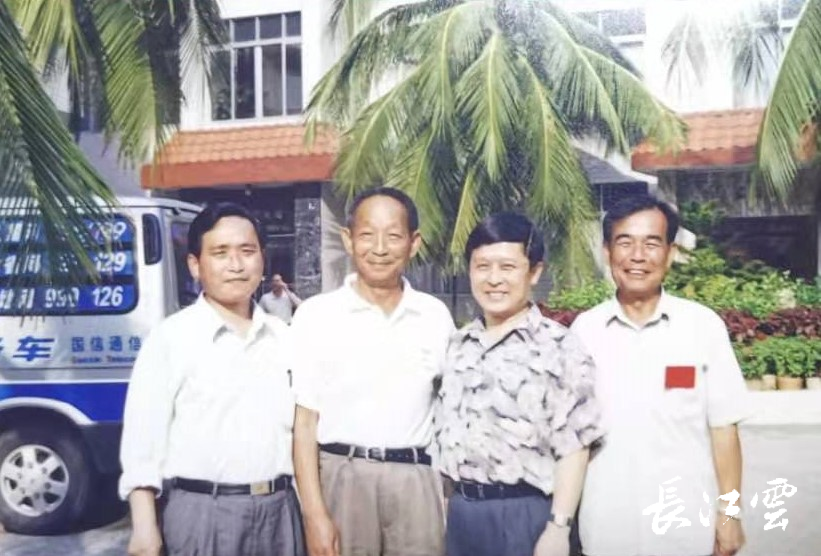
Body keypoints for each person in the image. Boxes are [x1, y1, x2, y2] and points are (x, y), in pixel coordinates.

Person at [119, 202, 304, 556]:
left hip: (280, 512)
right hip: (202, 514)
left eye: (247, 251)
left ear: (262, 260)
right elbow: (143, 443)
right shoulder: (170, 339)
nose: (236, 265)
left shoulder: (284, 337)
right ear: (195, 265)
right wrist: (144, 528)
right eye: (220, 253)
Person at [570, 195, 748, 556]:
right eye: (625, 242)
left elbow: (724, 432)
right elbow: (573, 441)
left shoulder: (702, 327)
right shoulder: (584, 332)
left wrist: (730, 513)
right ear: (607, 251)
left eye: (652, 243)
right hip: (606, 530)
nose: (637, 256)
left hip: (685, 530)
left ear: (670, 253)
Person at [290, 187, 455, 556]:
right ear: (348, 239)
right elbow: (304, 424)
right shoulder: (316, 316)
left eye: (393, 236)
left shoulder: (434, 316)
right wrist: (314, 513)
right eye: (367, 234)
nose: (379, 248)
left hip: (415, 482)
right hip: (342, 478)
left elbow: (448, 411)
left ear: (413, 243)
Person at [434, 212, 604, 556]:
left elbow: (575, 445)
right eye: (482, 266)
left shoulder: (558, 346)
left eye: (508, 267)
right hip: (464, 514)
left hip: (526, 513)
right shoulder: (458, 344)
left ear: (534, 272)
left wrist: (559, 527)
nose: (494, 279)